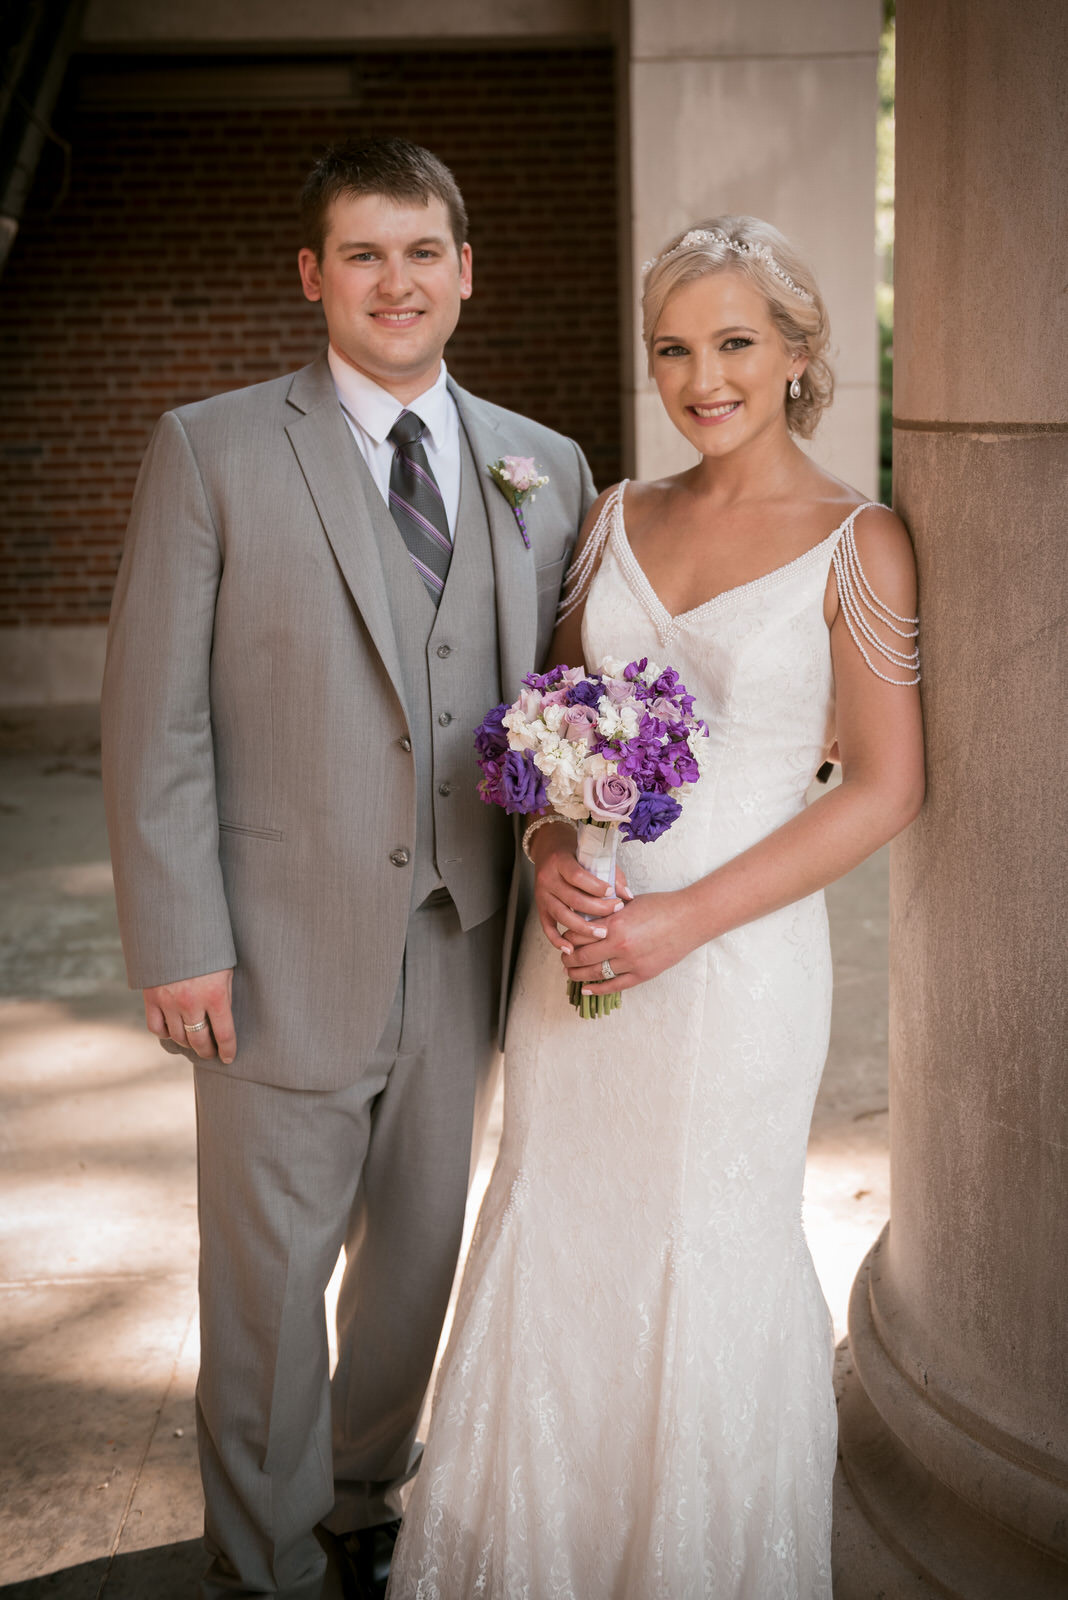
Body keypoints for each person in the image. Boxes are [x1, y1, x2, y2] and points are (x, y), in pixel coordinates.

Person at [388, 217, 924, 1598]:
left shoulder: (860, 543)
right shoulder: (613, 518)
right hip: (578, 965)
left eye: (736, 341)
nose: (704, 377)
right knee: (557, 1224)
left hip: (735, 977)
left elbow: (880, 789)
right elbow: (551, 740)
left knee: (708, 1249)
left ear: (800, 353)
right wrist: (552, 850)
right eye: (675, 349)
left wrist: (684, 925)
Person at [100, 136, 596, 1600]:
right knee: (267, 1286)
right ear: (315, 275)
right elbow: (155, 720)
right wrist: (175, 933)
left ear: (464, 273)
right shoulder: (214, 447)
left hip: (466, 938)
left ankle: (365, 1503)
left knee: (417, 1261)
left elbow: (558, 713)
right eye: (365, 254)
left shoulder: (542, 463)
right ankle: (260, 1565)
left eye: (423, 251)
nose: (398, 280)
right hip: (267, 944)